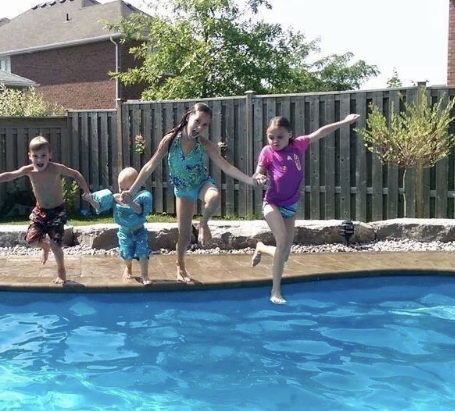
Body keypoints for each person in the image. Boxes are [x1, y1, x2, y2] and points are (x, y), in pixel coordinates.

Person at [123, 102, 262, 284]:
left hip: (202, 183)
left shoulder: (205, 145)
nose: (199, 127)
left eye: (205, 125)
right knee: (185, 236)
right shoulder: (171, 140)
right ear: (188, 117)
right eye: (197, 121)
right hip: (183, 191)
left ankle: (203, 224)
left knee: (214, 197)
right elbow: (150, 166)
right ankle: (180, 266)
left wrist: (250, 180)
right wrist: (131, 192)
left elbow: (227, 167)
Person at [250, 113, 361, 304]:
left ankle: (260, 247)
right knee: (282, 241)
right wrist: (259, 177)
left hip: (291, 206)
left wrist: (344, 121)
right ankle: (275, 291)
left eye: (280, 137)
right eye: (271, 137)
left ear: (290, 134)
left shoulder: (298, 145)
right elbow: (258, 171)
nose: (275, 141)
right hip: (272, 203)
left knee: (283, 256)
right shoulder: (267, 152)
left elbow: (321, 132)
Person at [0, 135, 97, 285]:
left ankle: (61, 272)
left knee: (56, 245)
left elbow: (76, 174)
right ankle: (44, 246)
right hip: (40, 211)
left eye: (44, 155)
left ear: (50, 155)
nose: (40, 160)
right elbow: (10, 175)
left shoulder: (56, 168)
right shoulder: (29, 170)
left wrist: (86, 191)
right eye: (36, 156)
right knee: (31, 241)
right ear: (30, 156)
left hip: (57, 211)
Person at [92, 167, 153, 286]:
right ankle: (128, 268)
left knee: (143, 252)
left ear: (137, 186)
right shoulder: (115, 198)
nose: (124, 192)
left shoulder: (140, 198)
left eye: (128, 189)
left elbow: (140, 211)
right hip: (124, 232)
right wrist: (91, 200)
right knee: (126, 254)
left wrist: (130, 202)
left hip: (139, 230)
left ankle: (144, 275)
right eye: (121, 188)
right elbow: (99, 206)